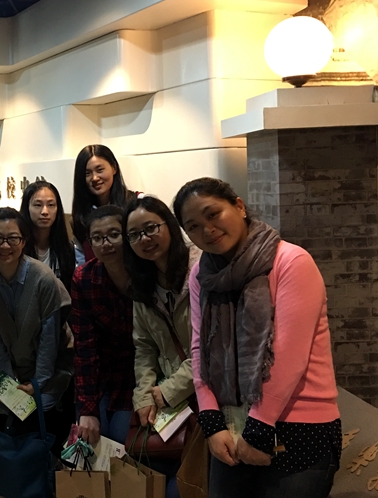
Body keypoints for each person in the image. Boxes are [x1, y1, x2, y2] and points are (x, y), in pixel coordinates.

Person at [174, 177, 341, 498]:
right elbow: (200, 349)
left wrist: (260, 427)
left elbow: (289, 355)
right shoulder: (201, 275)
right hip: (232, 427)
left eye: (213, 214)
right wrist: (211, 421)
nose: (207, 229)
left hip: (299, 426)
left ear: (239, 206)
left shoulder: (291, 262)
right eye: (193, 226)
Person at [0, 207, 74, 456]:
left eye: (13, 238)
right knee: (15, 430)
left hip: (51, 371)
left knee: (41, 422)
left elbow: (50, 340)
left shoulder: (43, 278)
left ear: (24, 241)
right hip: (13, 373)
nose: (5, 245)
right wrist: (10, 384)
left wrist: (37, 384)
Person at [122, 195, 200, 498]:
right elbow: (144, 347)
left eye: (151, 228)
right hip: (169, 400)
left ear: (169, 224)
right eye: (135, 234)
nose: (144, 239)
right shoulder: (142, 283)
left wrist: (167, 391)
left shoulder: (200, 270)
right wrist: (144, 395)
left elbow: (209, 348)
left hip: (206, 394)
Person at [71, 205, 136, 445]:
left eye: (113, 235)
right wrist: (87, 408)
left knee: (121, 438)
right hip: (104, 376)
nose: (105, 244)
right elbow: (84, 347)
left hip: (143, 375)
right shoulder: (84, 278)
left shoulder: (146, 274)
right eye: (97, 238)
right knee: (91, 437)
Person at [71, 144, 136, 265]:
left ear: (114, 168)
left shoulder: (136, 204)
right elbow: (81, 260)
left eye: (100, 170)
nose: (95, 178)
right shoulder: (80, 216)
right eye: (87, 173)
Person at [20, 180, 75, 292]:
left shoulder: (66, 249)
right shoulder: (18, 247)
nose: (45, 211)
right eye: (38, 205)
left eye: (51, 205)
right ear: (27, 208)